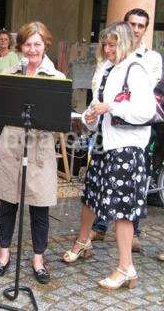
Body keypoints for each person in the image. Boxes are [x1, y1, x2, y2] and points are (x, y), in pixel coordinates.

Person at [62, 22, 155, 290]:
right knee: (91, 195)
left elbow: (145, 112)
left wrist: (110, 107)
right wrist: (89, 117)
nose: (107, 48)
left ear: (125, 43)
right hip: (105, 143)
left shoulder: (136, 70)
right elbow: (97, 109)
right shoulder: (108, 69)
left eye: (113, 44)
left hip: (127, 148)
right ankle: (83, 242)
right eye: (105, 43)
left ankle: (126, 268)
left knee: (123, 211)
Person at [0, 21, 65, 284]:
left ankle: (38, 260)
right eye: (28, 44)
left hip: (40, 150)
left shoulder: (56, 79)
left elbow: (58, 120)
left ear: (45, 45)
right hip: (11, 147)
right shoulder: (11, 73)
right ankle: (3, 255)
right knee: (7, 203)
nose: (32, 49)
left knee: (40, 208)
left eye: (37, 44)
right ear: (20, 46)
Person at [90, 8, 163, 252]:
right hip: (107, 131)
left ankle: (129, 248)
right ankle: (100, 227)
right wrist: (95, 111)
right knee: (102, 184)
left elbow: (145, 101)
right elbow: (99, 92)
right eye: (132, 23)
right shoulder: (110, 63)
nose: (135, 29)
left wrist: (113, 105)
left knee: (128, 195)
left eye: (141, 25)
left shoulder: (146, 61)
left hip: (132, 135)